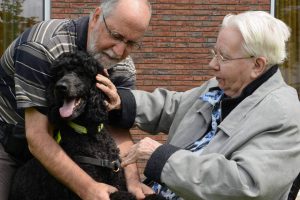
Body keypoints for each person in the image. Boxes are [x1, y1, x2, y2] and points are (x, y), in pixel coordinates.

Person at [97, 11, 300, 199]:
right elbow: (174, 106)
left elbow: (246, 184)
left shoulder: (284, 115)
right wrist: (121, 102)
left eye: (224, 57)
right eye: (215, 53)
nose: (212, 65)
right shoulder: (222, 86)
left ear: (257, 65)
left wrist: (162, 157)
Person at [0, 0, 153, 199]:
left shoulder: (123, 66)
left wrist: (132, 181)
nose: (119, 51)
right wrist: (88, 188)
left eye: (131, 43)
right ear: (96, 16)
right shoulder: (43, 45)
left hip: (67, 144)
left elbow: (116, 126)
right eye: (116, 36)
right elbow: (38, 136)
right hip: (9, 140)